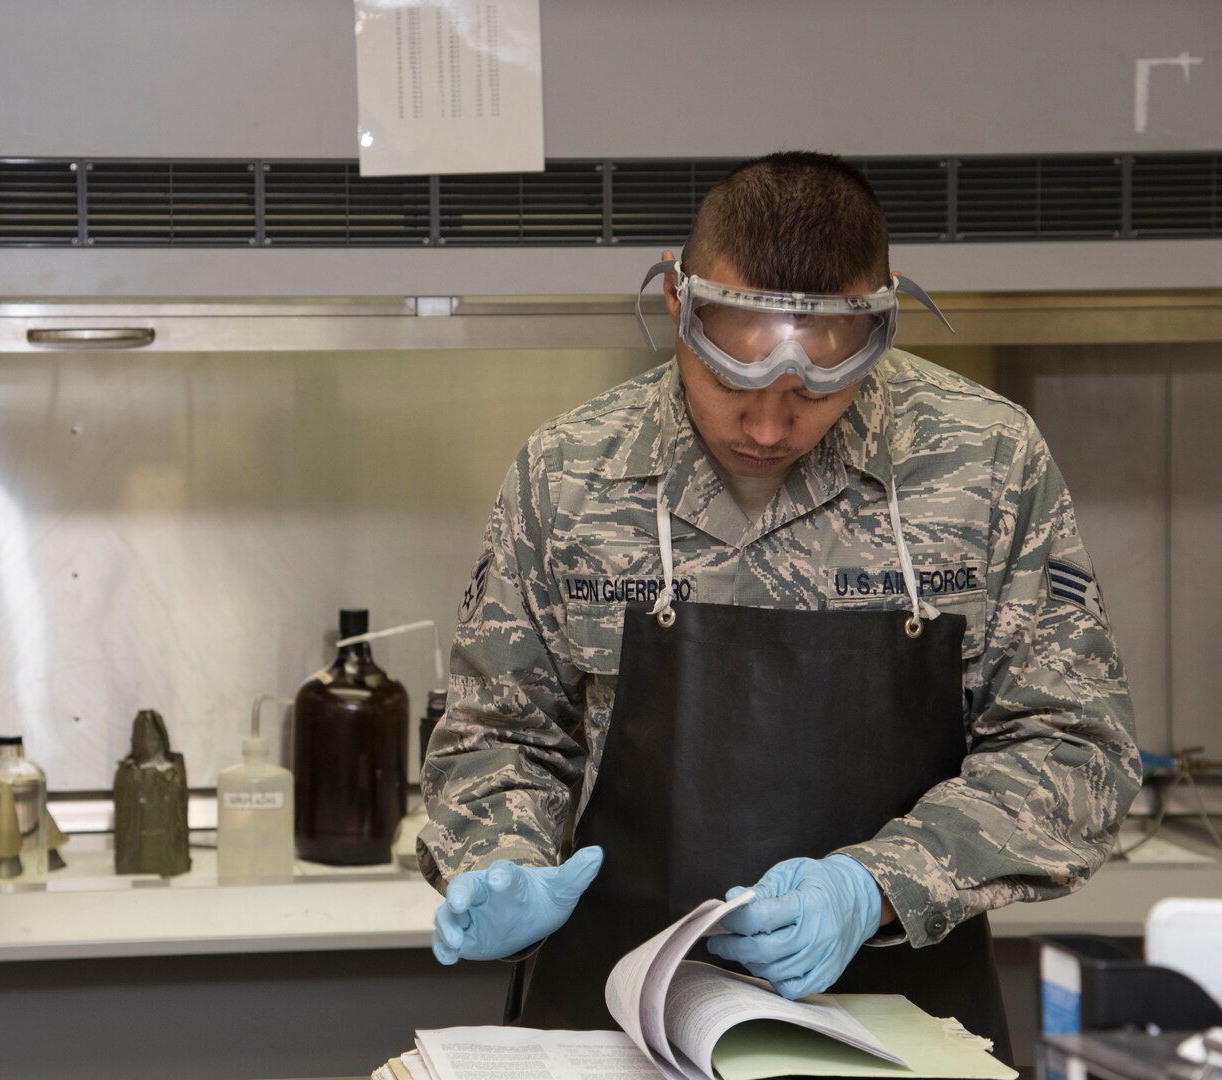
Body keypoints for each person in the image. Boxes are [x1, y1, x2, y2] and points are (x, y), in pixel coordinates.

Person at [418, 151, 1139, 1058]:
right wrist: (502, 859)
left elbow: (1075, 746)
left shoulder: (983, 464)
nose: (767, 427)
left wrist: (875, 887)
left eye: (813, 391)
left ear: (874, 334)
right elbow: (498, 733)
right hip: (612, 1026)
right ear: (678, 309)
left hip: (902, 1020)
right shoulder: (570, 473)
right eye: (734, 384)